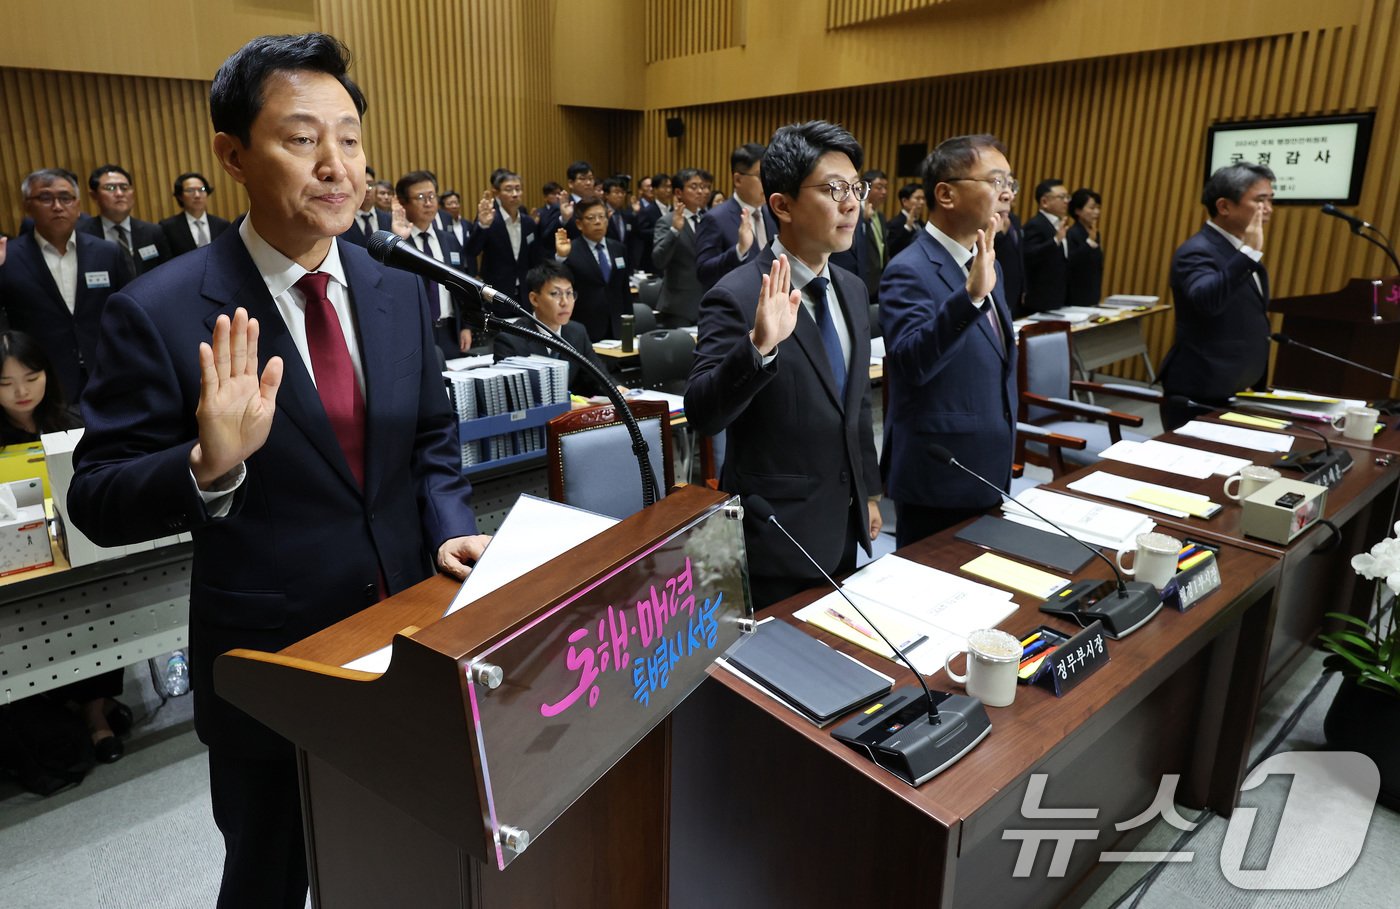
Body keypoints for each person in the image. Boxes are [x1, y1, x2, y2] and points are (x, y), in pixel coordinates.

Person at [65, 34, 488, 907]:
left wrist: (450, 529)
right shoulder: (162, 309)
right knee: (268, 877)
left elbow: (432, 444)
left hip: (409, 640)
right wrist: (206, 465)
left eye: (351, 139)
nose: (338, 166)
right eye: (302, 140)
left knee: (402, 859)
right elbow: (97, 497)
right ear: (231, 155)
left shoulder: (397, 285)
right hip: (274, 663)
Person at [686, 120, 882, 609]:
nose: (852, 203)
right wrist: (758, 348)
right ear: (782, 204)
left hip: (842, 523)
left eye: (856, 187)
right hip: (774, 536)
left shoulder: (853, 290)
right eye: (834, 189)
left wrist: (869, 492)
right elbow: (703, 413)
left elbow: (854, 406)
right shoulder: (734, 295)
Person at [0, 330, 132, 763]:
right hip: (20, 567)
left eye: (30, 377)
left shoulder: (72, 422)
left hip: (83, 558)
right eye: (4, 384)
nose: (20, 392)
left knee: (105, 604)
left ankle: (95, 713)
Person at [880, 135, 1017, 546]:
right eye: (995, 180)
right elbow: (911, 363)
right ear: (946, 193)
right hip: (939, 474)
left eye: (1010, 181)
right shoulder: (909, 269)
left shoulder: (987, 262)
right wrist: (970, 298)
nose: (1007, 192)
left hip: (988, 464)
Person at [0, 167, 134, 403]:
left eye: (65, 198)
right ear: (27, 206)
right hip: (42, 379)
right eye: (45, 198)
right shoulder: (8, 258)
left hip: (106, 372)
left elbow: (126, 311)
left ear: (78, 205)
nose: (58, 206)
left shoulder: (106, 252)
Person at [1159, 163, 1274, 430]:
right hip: (1202, 386)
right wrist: (1248, 255)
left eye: (1270, 200)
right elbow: (1206, 300)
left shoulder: (1240, 249)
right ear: (1224, 207)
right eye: (1259, 200)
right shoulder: (1196, 250)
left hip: (1236, 383)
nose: (1268, 209)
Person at [493, 263, 619, 397]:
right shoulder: (510, 340)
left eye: (569, 293)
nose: (565, 302)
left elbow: (599, 377)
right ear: (534, 299)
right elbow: (513, 398)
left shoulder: (577, 332)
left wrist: (618, 390)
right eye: (555, 294)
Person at [396, 169, 474, 361]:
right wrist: (398, 240)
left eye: (432, 196)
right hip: (415, 333)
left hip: (450, 330)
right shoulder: (398, 244)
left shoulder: (449, 240)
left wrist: (465, 326)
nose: (428, 202)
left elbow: (462, 285)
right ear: (403, 202)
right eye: (421, 197)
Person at [695, 142, 776, 290]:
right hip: (736, 305)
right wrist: (740, 250)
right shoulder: (715, 218)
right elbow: (703, 273)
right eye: (761, 176)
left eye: (770, 175)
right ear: (738, 179)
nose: (768, 182)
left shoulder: (773, 214)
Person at [553, 197, 630, 341]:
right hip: (585, 326)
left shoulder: (618, 248)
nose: (598, 222)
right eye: (591, 218)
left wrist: (629, 325)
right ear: (579, 224)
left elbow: (624, 289)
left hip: (617, 325)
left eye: (602, 217)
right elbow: (558, 282)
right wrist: (561, 257)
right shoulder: (570, 249)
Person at [80, 164, 173, 275]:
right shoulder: (81, 234)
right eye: (110, 188)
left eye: (124, 188)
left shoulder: (153, 232)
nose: (119, 193)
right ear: (94, 196)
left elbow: (167, 272)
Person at [466, 168, 536, 312]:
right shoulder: (489, 220)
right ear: (497, 193)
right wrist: (483, 226)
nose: (515, 194)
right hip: (497, 292)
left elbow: (535, 258)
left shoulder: (529, 222)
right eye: (509, 190)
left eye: (518, 189)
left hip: (525, 292)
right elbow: (471, 251)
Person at [652, 167, 710, 328]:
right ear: (678, 193)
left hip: (707, 303)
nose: (700, 191)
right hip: (678, 307)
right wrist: (674, 231)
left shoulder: (708, 220)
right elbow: (658, 259)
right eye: (693, 187)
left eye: (702, 186)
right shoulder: (666, 221)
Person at [1022, 178, 1071, 314]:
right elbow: (1029, 255)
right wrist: (1055, 240)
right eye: (1061, 197)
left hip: (1058, 298)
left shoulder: (1059, 225)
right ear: (1044, 202)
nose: (1066, 201)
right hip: (1040, 300)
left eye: (1067, 197)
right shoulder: (1035, 225)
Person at [160, 172, 232, 255]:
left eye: (202, 190)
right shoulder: (168, 227)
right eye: (190, 190)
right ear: (180, 196)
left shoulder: (222, 225)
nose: (197, 195)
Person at [1066, 187, 1104, 307]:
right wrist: (1088, 243)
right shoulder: (1072, 233)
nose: (1097, 212)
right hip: (1075, 296)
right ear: (1078, 210)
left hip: (1093, 293)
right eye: (1092, 208)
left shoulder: (1095, 233)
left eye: (1098, 208)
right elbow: (1071, 262)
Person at [342, 165, 391, 246]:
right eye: (362, 184)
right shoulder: (343, 220)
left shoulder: (389, 218)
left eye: (371, 184)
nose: (367, 189)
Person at [861, 168, 890, 300]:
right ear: (864, 188)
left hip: (879, 281)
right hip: (861, 280)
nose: (884, 192)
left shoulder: (881, 217)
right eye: (879, 187)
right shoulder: (855, 214)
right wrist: (863, 220)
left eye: (885, 187)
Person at [885, 181, 925, 261]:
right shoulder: (894, 224)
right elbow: (891, 250)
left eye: (923, 198)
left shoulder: (921, 223)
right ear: (905, 201)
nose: (922, 202)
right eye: (917, 198)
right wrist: (907, 228)